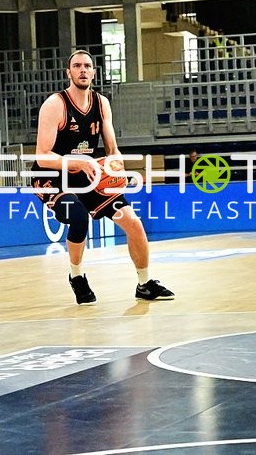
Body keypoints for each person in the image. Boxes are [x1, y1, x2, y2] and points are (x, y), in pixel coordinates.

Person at [30, 49, 174, 305]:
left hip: (88, 174)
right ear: (68, 72)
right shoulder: (55, 104)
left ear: (94, 73)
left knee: (133, 223)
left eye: (87, 66)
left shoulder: (101, 103)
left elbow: (112, 149)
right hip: (52, 177)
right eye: (77, 66)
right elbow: (42, 156)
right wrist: (78, 162)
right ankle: (77, 276)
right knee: (78, 216)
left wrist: (116, 166)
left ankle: (144, 284)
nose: (82, 70)